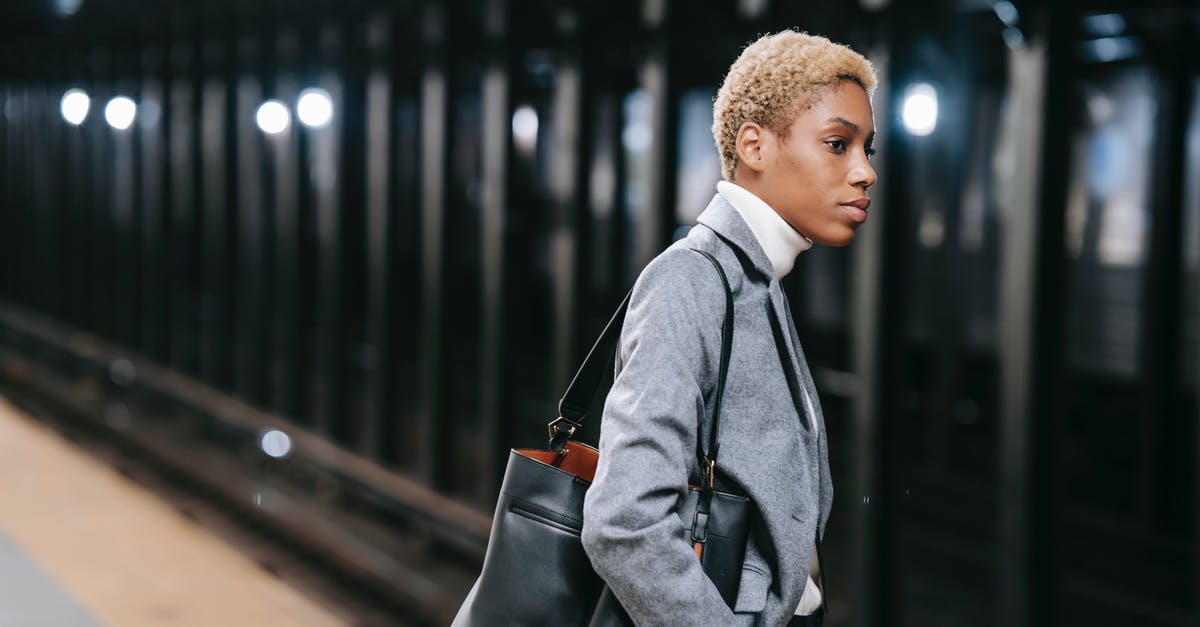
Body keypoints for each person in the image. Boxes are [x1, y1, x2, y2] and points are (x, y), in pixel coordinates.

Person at [580, 30, 877, 626]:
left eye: (867, 148)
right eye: (838, 144)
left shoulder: (757, 280)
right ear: (754, 146)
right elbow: (624, 520)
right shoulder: (691, 282)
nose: (865, 172)